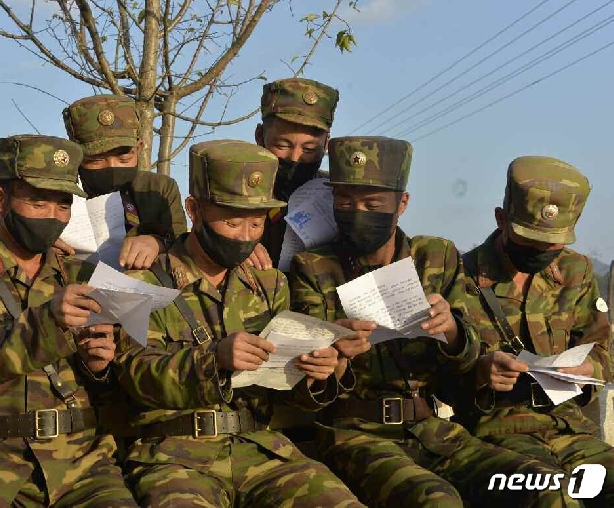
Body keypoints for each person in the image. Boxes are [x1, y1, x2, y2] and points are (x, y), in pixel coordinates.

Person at [289, 136, 579, 507]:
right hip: (357, 434)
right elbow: (307, 379)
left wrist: (453, 330)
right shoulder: (312, 268)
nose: (357, 212)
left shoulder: (436, 257)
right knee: (437, 500)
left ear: (402, 204)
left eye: (372, 203)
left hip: (435, 428)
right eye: (345, 202)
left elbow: (469, 358)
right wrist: (335, 353)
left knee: (542, 488)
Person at [115, 139, 364, 507]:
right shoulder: (141, 279)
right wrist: (213, 359)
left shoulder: (269, 284)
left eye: (256, 223)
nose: (245, 237)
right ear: (194, 210)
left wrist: (322, 367)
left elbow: (287, 387)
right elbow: (133, 374)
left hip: (263, 452)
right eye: (232, 222)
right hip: (174, 456)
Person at [0, 135, 136, 506]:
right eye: (38, 202)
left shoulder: (85, 273)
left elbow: (126, 376)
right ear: (0, 200)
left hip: (83, 466)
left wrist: (100, 367)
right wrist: (50, 321)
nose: (52, 217)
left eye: (62, 205)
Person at [445, 156, 613, 506]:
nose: (540, 252)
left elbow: (602, 348)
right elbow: (430, 376)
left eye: (550, 244)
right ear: (501, 219)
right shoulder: (458, 278)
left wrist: (587, 370)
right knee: (555, 498)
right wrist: (479, 371)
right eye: (529, 240)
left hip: (570, 429)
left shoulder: (576, 272)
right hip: (494, 435)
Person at [61, 94, 187, 270]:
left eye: (124, 158)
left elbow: (183, 245)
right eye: (96, 160)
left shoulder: (159, 189)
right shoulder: (60, 194)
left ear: (138, 148)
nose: (111, 167)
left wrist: (157, 242)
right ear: (77, 156)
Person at [252, 77, 339, 269]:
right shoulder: (236, 191)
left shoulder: (338, 197)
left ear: (326, 145)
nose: (295, 157)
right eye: (282, 145)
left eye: (309, 149)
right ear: (260, 136)